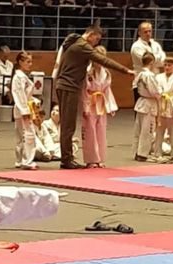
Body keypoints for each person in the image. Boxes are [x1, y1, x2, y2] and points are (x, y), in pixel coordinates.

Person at [55, 24, 134, 169]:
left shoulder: (73, 42)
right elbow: (103, 60)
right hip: (68, 85)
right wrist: (125, 70)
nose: (96, 43)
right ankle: (66, 159)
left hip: (67, 85)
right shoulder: (82, 46)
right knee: (68, 125)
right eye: (97, 39)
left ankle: (68, 158)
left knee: (69, 125)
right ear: (91, 34)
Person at [82, 45, 118, 168]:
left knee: (101, 130)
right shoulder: (87, 72)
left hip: (101, 102)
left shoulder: (106, 73)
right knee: (90, 131)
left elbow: (107, 91)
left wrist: (110, 107)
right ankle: (91, 159)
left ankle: (100, 159)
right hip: (90, 101)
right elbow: (84, 91)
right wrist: (85, 107)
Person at [11, 51, 40, 170]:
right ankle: (27, 161)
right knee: (28, 135)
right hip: (22, 109)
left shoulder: (21, 76)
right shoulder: (19, 77)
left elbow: (25, 95)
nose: (30, 64)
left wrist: (34, 101)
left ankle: (20, 160)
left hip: (22, 107)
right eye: (28, 62)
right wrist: (25, 111)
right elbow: (19, 95)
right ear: (20, 62)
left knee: (21, 135)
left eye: (31, 61)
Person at [155, 56, 173, 163]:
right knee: (159, 130)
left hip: (172, 105)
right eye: (165, 65)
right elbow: (156, 90)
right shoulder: (158, 77)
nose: (167, 67)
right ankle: (157, 153)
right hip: (161, 104)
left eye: (169, 65)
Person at [133, 52, 161, 162]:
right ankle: (143, 154)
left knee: (139, 130)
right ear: (151, 62)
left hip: (141, 102)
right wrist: (161, 94)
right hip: (149, 104)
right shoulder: (149, 75)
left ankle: (137, 152)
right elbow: (155, 91)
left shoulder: (140, 74)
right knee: (147, 131)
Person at [130, 22, 166, 102]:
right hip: (142, 81)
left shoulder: (156, 44)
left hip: (156, 80)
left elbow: (163, 61)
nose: (148, 34)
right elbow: (146, 61)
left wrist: (156, 59)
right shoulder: (136, 46)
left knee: (157, 107)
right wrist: (157, 58)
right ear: (139, 33)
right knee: (142, 107)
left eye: (150, 31)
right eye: (145, 32)